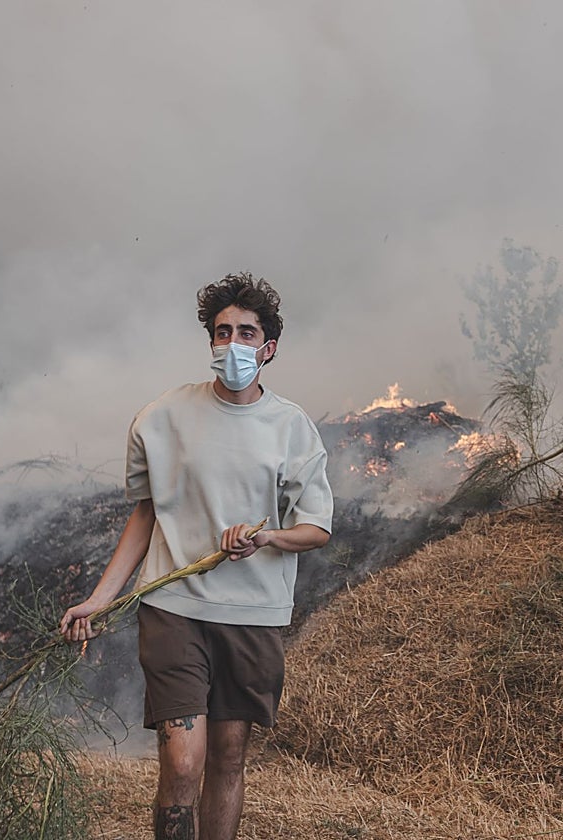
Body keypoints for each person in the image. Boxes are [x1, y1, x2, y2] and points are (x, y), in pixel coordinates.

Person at [61, 273, 332, 840]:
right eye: (222, 332)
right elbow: (146, 514)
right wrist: (99, 599)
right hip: (173, 607)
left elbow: (315, 529)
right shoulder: (163, 418)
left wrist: (267, 539)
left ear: (269, 348)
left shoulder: (292, 429)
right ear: (210, 341)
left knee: (228, 760)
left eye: (247, 333)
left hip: (252, 616)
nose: (233, 344)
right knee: (184, 762)